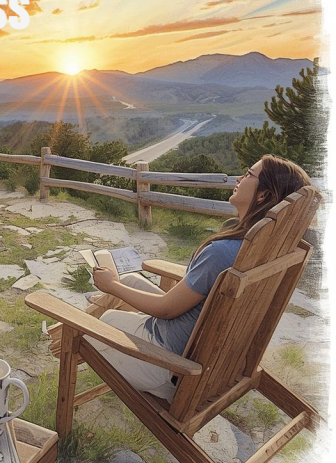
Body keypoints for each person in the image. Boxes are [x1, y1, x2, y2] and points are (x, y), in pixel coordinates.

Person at [87, 154, 311, 400]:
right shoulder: (264, 252)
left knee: (101, 321)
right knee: (129, 281)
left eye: (248, 174)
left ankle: (70, 338)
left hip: (171, 366)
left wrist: (111, 286)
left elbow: (166, 309)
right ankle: (92, 320)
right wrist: (118, 286)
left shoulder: (221, 252)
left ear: (264, 195)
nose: (239, 178)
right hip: (203, 349)